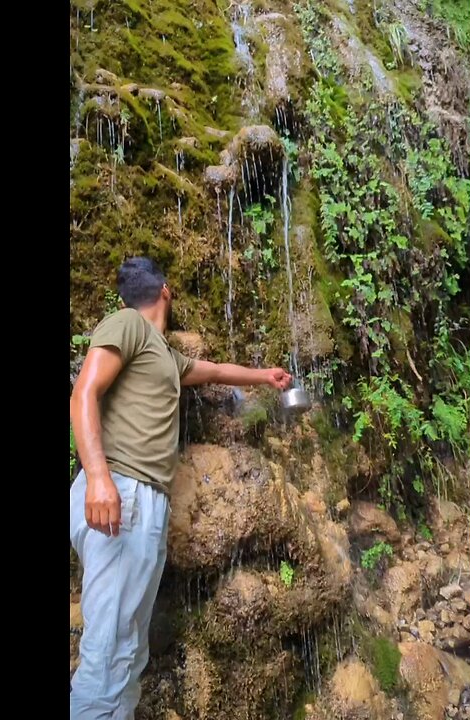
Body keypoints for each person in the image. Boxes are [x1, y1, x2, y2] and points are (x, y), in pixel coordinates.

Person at [69, 256, 292, 719]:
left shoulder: (164, 355)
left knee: (128, 647)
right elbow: (83, 392)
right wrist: (98, 478)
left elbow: (211, 371)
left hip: (142, 501)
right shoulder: (126, 323)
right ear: (165, 291)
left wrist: (264, 376)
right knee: (109, 645)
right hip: (121, 489)